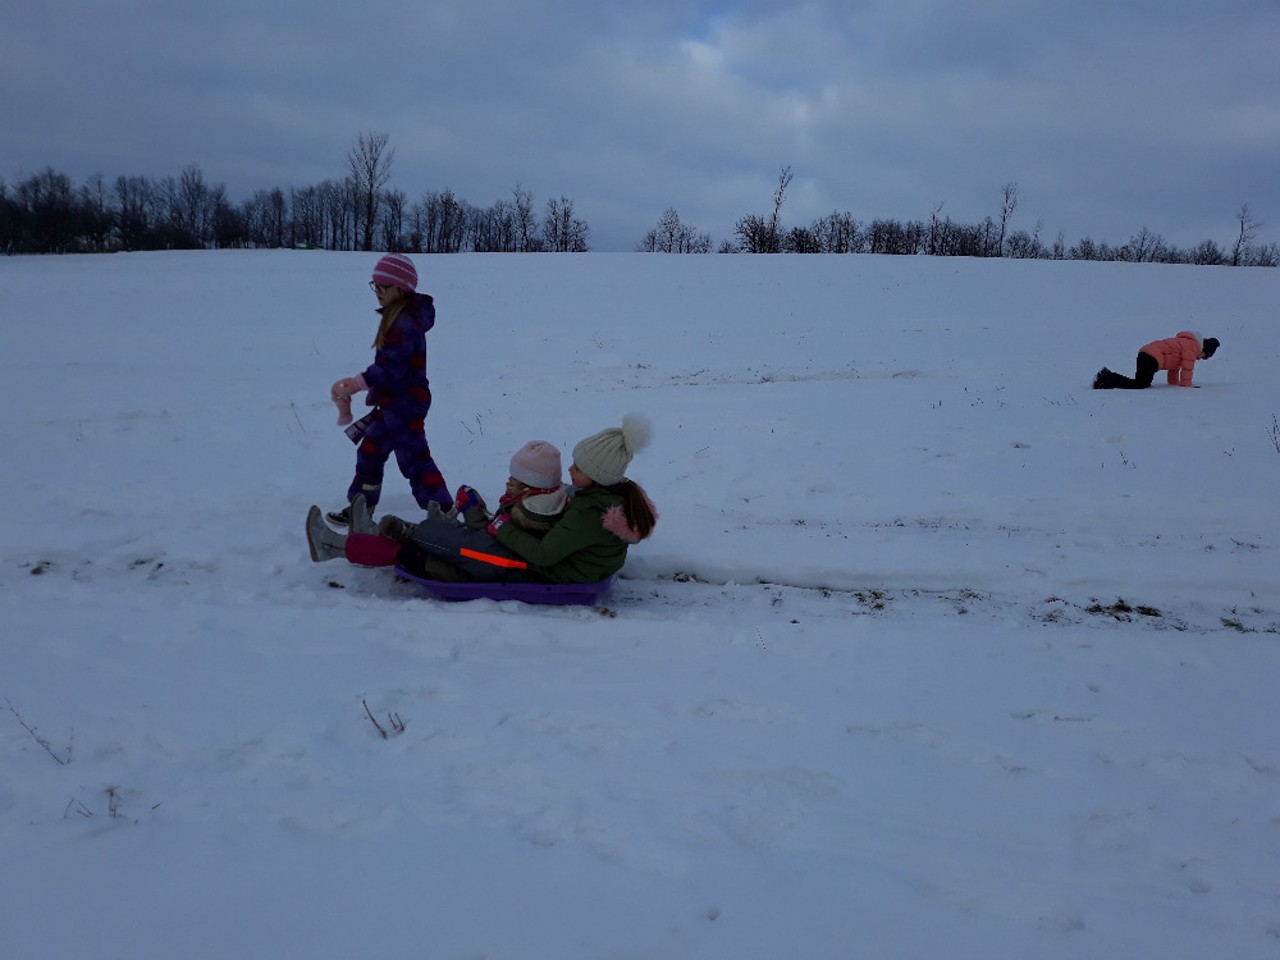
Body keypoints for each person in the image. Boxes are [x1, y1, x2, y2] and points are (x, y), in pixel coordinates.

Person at [306, 415, 658, 584]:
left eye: (579, 468)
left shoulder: (589, 511)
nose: (570, 470)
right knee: (451, 541)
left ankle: (337, 547)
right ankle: (369, 537)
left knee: (430, 553)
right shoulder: (602, 497)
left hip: (535, 570)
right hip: (546, 563)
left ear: (599, 476)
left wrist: (502, 527)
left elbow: (543, 554)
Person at [327, 253, 451, 526]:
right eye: (375, 285)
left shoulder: (403, 324)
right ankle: (362, 509)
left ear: (402, 288)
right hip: (394, 402)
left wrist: (358, 383)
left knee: (414, 460)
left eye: (384, 286)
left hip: (406, 404)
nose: (378, 292)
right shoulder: (398, 319)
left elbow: (392, 367)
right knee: (369, 452)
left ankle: (444, 514)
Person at [1093, 332, 1219, 389]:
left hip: (1146, 353)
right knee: (1141, 384)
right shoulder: (1192, 347)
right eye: (1204, 356)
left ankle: (1105, 378)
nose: (1200, 358)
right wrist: (1186, 385)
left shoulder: (1185, 343)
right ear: (1205, 350)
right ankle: (1105, 378)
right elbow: (1187, 367)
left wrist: (1173, 384)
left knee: (1141, 383)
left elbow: (1174, 368)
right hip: (1151, 357)